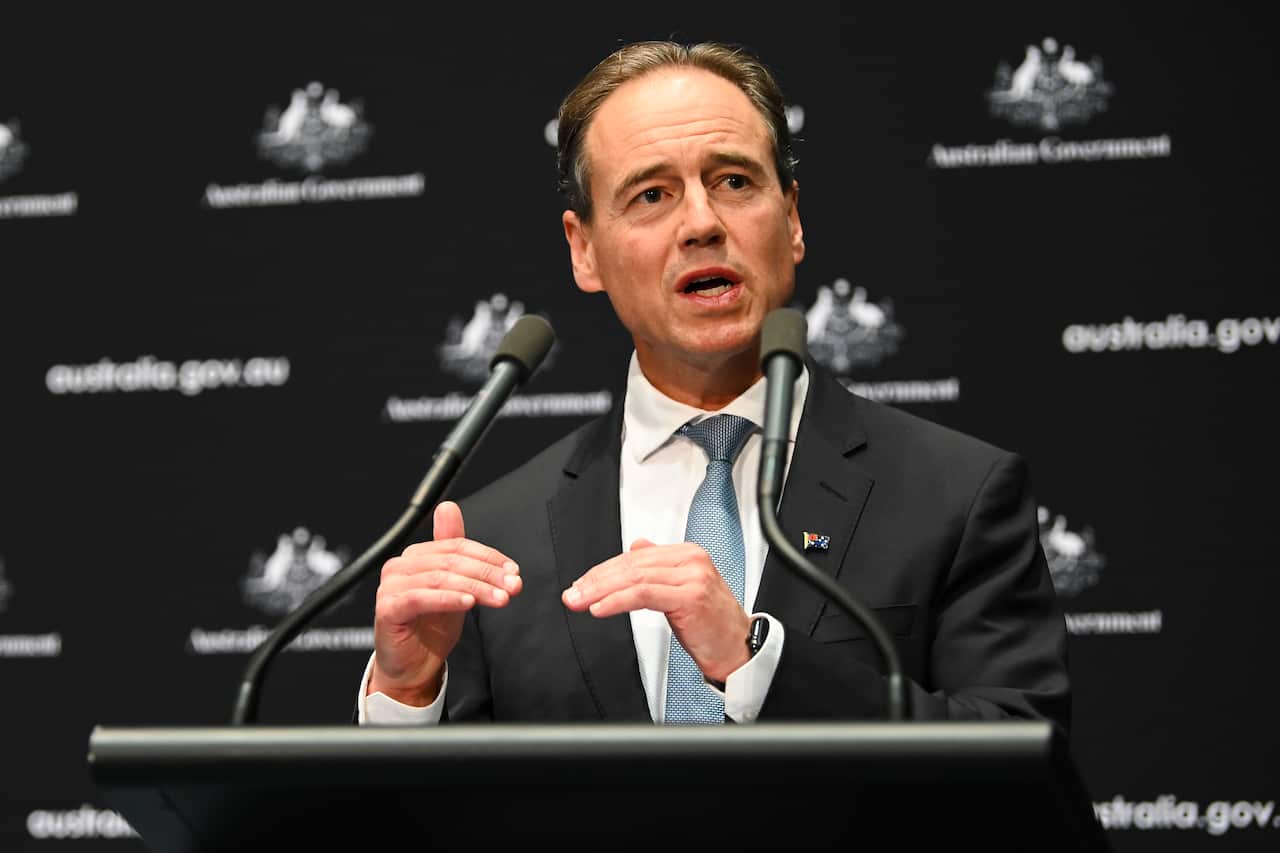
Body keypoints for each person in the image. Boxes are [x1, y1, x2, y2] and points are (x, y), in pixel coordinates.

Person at [356, 40, 1069, 729]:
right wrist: (406, 693)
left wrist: (757, 664)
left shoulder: (956, 495)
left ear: (791, 220)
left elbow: (1016, 766)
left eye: (733, 181)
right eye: (652, 194)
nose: (701, 222)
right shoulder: (495, 539)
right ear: (584, 248)